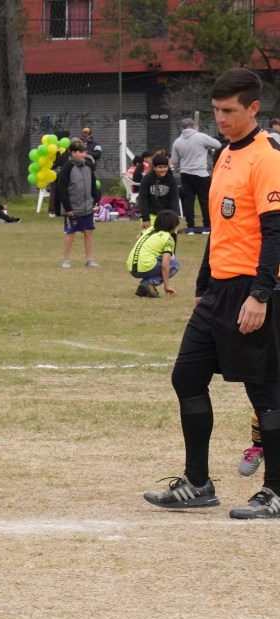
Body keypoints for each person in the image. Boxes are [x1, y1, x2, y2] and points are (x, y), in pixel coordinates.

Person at [143, 67, 280, 520]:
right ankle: (198, 483)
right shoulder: (223, 154)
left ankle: (275, 491)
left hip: (252, 289)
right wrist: (204, 284)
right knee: (186, 377)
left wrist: (261, 294)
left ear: (253, 109)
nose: (220, 118)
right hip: (218, 289)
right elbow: (220, 227)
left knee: (265, 393)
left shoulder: (268, 157)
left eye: (229, 111)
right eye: (216, 110)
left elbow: (275, 232)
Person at [171, 116, 223, 235]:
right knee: (204, 200)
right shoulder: (201, 137)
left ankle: (190, 227)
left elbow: (174, 160)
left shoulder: (177, 142)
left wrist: (180, 168)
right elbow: (218, 145)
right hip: (200, 173)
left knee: (189, 200)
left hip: (185, 174)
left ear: (181, 128)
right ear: (193, 126)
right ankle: (206, 226)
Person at [54, 141, 101, 268]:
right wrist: (67, 207)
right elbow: (62, 189)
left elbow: (93, 184)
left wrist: (96, 200)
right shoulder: (67, 168)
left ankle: (89, 259)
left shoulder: (88, 166)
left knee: (88, 231)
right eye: (80, 152)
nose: (83, 154)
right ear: (73, 153)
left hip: (87, 207)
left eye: (85, 151)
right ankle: (66, 259)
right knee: (70, 233)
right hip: (73, 208)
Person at [126, 209, 180, 299]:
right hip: (145, 267)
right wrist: (167, 285)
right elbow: (165, 265)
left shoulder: (150, 229)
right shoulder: (168, 238)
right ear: (172, 226)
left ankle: (145, 287)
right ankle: (149, 283)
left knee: (161, 256)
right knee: (175, 265)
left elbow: (137, 237)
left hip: (131, 267)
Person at [138, 153, 182, 228]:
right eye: (160, 167)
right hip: (150, 215)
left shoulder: (171, 180)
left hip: (167, 216)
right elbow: (143, 198)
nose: (163, 169)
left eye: (165, 167)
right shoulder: (147, 179)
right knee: (149, 238)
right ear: (154, 168)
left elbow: (174, 200)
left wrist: (174, 217)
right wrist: (145, 218)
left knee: (169, 238)